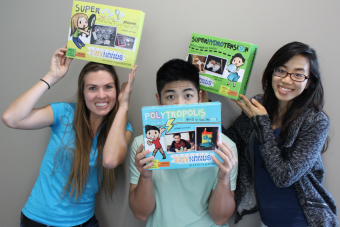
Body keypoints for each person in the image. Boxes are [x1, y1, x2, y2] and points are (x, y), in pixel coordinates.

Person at [2, 45, 137, 226]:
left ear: (117, 90)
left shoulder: (122, 128)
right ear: (83, 92)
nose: (102, 95)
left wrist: (124, 105)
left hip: (84, 221)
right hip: (39, 221)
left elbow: (110, 161)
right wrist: (52, 76)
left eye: (108, 87)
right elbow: (11, 118)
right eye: (92, 88)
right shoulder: (63, 113)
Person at [223, 42, 338, 227]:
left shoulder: (316, 121)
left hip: (305, 221)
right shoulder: (259, 104)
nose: (286, 80)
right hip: (267, 221)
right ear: (272, 72)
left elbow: (284, 177)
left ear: (309, 82)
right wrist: (204, 109)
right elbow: (231, 140)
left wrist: (262, 123)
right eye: (281, 71)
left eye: (298, 74)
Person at [129, 59, 238, 227]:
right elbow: (140, 213)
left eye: (188, 95)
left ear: (199, 97)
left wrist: (224, 178)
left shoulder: (225, 147)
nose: (180, 105)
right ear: (159, 100)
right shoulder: (143, 146)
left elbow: (220, 219)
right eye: (170, 96)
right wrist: (145, 176)